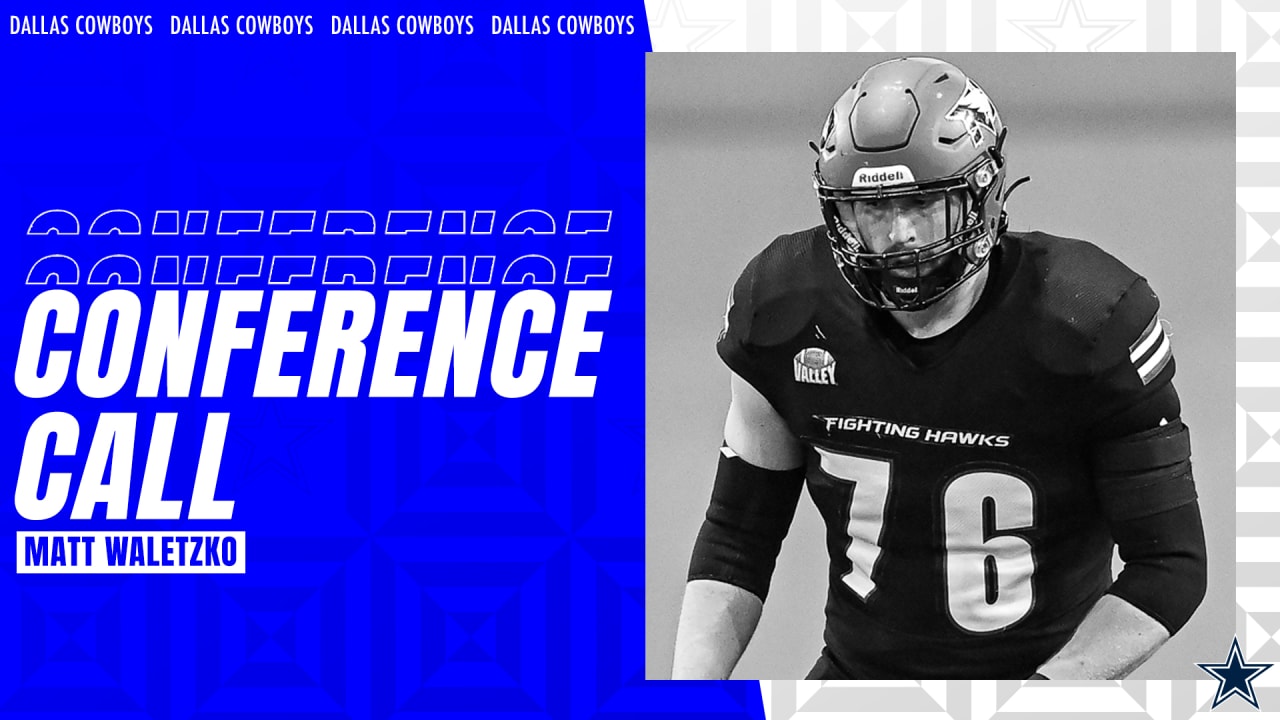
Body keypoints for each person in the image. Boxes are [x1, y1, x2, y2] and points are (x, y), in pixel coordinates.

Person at [671, 56, 1207, 680]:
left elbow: (1170, 564)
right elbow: (738, 540)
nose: (898, 235)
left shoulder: (1085, 320)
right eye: (873, 210)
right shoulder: (783, 308)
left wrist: (1039, 697)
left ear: (980, 192)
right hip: (858, 679)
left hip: (1047, 680)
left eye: (923, 204)